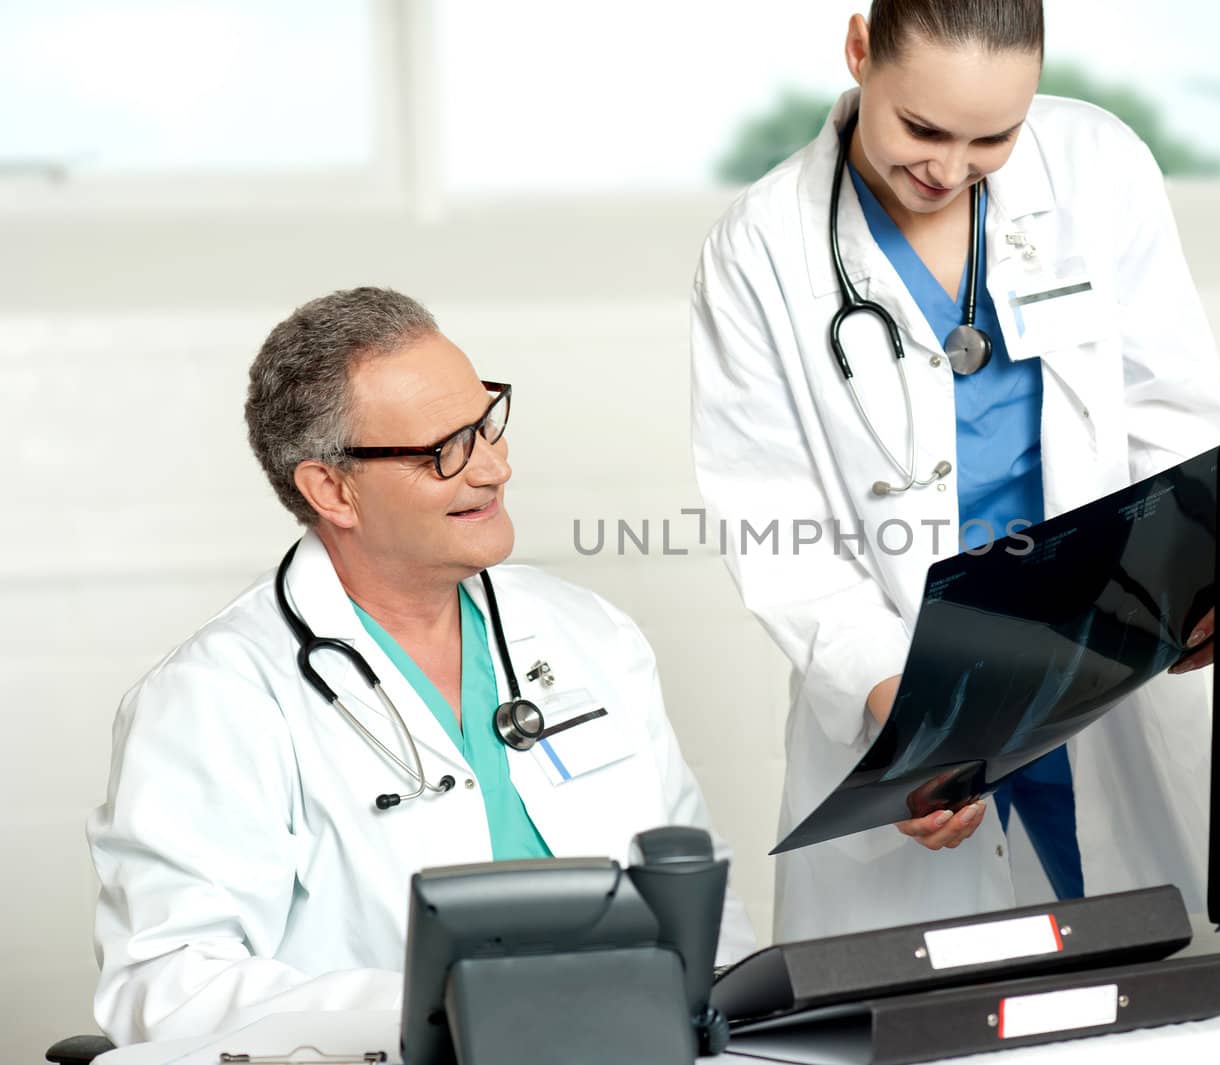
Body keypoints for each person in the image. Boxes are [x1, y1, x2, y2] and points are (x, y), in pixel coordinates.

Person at [690, 0, 1220, 943]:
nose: (947, 170)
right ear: (860, 49)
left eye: (994, 138)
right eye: (922, 128)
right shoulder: (761, 246)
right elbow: (778, 528)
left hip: (1109, 662)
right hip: (912, 678)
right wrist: (907, 717)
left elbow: (1172, 412)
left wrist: (1202, 578)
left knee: (1162, 989)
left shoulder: (1097, 166)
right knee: (937, 1014)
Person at [88, 287, 756, 1046]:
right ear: (332, 489)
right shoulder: (216, 698)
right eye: (447, 450)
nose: (494, 468)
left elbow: (699, 892)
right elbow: (169, 982)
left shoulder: (590, 633)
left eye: (487, 423)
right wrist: (453, 1007)